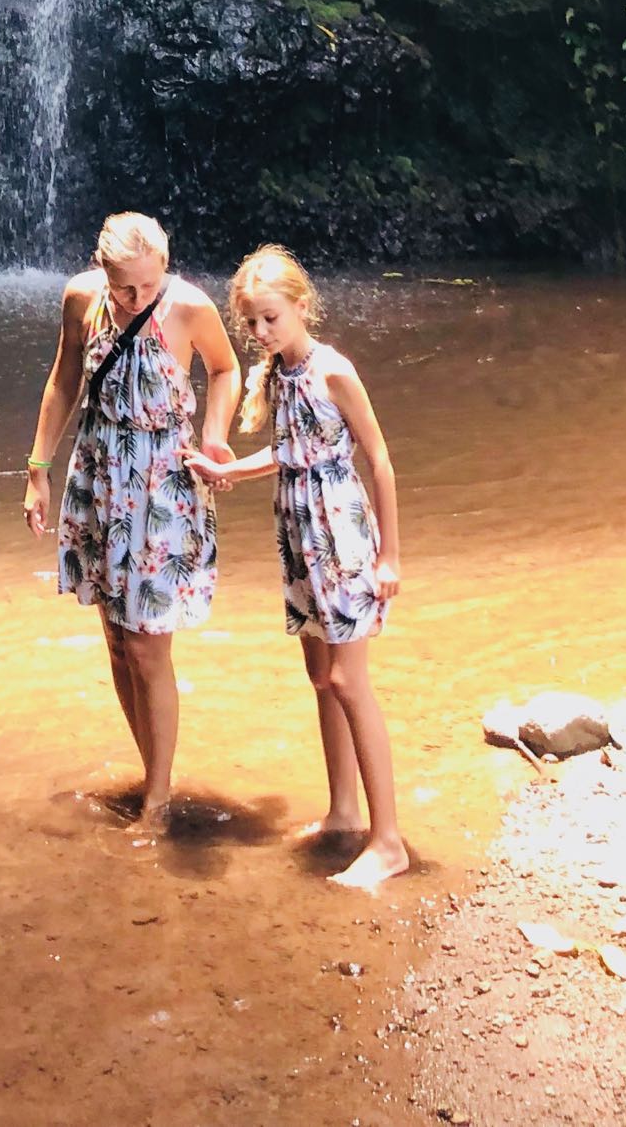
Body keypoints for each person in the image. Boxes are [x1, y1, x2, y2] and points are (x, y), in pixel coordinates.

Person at [188, 245, 407, 889]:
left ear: (301, 307)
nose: (261, 332)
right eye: (252, 322)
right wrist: (230, 470)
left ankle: (388, 841)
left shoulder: (333, 370)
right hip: (299, 536)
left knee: (348, 680)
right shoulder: (281, 373)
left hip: (341, 536)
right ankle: (343, 814)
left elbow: (380, 460)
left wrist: (390, 556)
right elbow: (291, 453)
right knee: (320, 676)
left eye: (271, 319)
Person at [24, 211, 239, 828]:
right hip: (99, 472)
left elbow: (225, 368)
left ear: (164, 267)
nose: (137, 298)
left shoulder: (189, 307)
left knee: (148, 645)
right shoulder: (81, 299)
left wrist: (216, 435)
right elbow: (64, 378)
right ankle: (153, 774)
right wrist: (38, 468)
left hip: (163, 482)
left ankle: (159, 803)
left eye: (148, 284)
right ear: (102, 270)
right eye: (124, 287)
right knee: (118, 642)